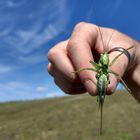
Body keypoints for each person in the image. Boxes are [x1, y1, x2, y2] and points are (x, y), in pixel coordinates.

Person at [47, 22, 140, 102]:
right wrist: (76, 71)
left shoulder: (109, 63)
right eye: (103, 56)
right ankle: (100, 97)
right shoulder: (98, 63)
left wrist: (127, 53)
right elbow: (89, 65)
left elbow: (116, 68)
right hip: (100, 78)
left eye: (106, 55)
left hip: (104, 77)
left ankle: (101, 97)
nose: (105, 56)